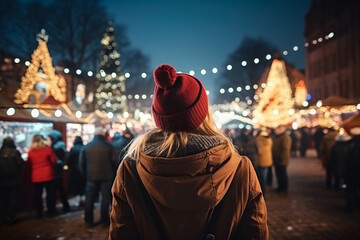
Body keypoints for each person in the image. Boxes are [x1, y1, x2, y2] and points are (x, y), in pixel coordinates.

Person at [109, 64, 268, 239]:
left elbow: (121, 234)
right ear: (204, 113)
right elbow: (256, 233)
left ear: (159, 118)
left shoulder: (130, 171)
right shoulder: (240, 169)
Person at [80, 127, 117, 226]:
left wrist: (86, 174)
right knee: (105, 198)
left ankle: (88, 220)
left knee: (89, 198)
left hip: (91, 176)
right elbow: (115, 162)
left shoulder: (87, 146)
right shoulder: (109, 146)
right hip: (107, 176)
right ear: (103, 135)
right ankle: (104, 220)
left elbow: (81, 163)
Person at [27, 134, 57, 218]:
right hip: (48, 174)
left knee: (37, 195)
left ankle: (39, 213)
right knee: (50, 194)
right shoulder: (47, 150)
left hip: (36, 175)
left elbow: (29, 164)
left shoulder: (30, 152)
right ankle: (51, 211)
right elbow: (54, 161)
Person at [0, 137, 24, 223]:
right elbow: (20, 163)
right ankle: (11, 216)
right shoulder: (15, 152)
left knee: (2, 199)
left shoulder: (0, 152)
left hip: (2, 180)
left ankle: (2, 216)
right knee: (12, 198)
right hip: (14, 179)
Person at [48, 130, 70, 212]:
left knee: (55, 190)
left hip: (56, 171)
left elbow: (57, 160)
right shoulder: (60, 146)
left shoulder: (57, 147)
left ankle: (53, 209)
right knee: (60, 189)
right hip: (58, 171)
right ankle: (65, 206)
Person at [66, 136, 85, 206]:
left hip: (74, 171)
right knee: (83, 185)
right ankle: (82, 198)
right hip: (83, 170)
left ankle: (78, 199)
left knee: (77, 185)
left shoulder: (73, 149)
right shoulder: (84, 147)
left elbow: (69, 159)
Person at [272, 125, 291, 193]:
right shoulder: (278, 137)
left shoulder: (285, 137)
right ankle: (280, 187)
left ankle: (284, 189)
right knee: (279, 174)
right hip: (277, 159)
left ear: (281, 130)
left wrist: (281, 158)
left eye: (277, 130)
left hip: (282, 160)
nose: (275, 131)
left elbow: (285, 149)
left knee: (283, 174)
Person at [256, 128, 273, 195]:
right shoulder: (269, 139)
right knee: (264, 176)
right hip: (268, 160)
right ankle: (264, 190)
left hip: (261, 160)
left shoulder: (258, 140)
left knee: (261, 177)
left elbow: (259, 151)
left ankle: (262, 191)